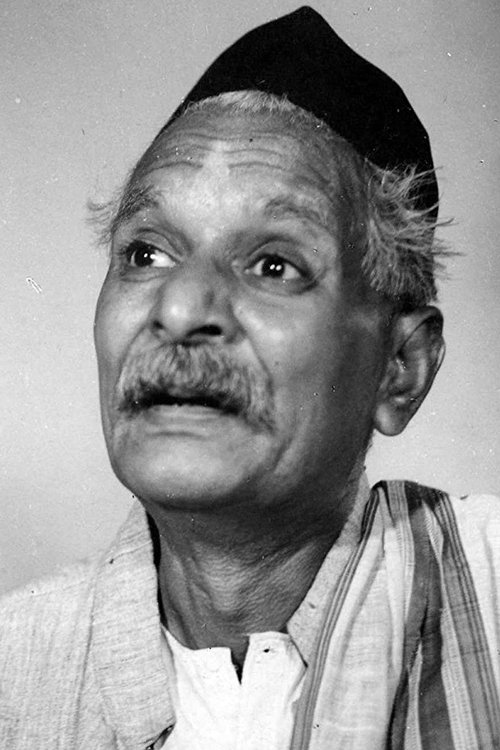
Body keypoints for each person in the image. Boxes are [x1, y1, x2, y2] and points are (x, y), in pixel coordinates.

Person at [1, 6, 499, 748]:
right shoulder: (16, 673)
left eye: (274, 264)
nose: (178, 309)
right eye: (145, 254)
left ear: (402, 368)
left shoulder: (488, 599)